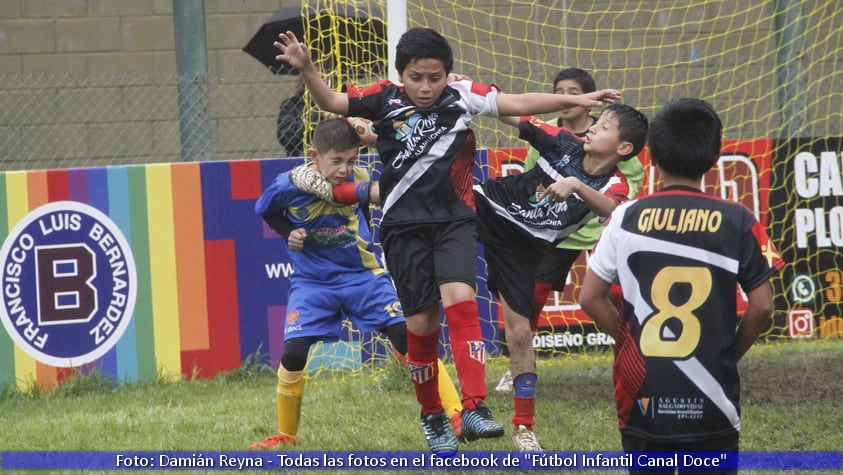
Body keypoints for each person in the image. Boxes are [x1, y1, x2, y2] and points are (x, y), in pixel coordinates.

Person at [272, 26, 622, 453]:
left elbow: (518, 103)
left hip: (455, 219)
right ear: (402, 75)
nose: (425, 87)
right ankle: (432, 414)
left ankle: (475, 406)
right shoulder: (383, 98)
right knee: (422, 325)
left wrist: (576, 101)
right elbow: (331, 102)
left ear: (447, 75)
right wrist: (307, 67)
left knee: (460, 297)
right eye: (416, 77)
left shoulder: (462, 96)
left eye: (435, 77)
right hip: (403, 227)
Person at [579, 98, 784, 474]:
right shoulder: (738, 218)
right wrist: (728, 356)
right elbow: (763, 307)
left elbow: (589, 297)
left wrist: (629, 342)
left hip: (642, 393)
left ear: (651, 155)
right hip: (712, 395)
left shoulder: (625, 216)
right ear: (715, 157)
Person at [251, 118, 462, 449]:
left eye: (351, 160)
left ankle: (455, 414)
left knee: (409, 337)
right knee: (294, 352)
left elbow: (367, 208)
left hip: (364, 276)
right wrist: (287, 231)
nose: (344, 169)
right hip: (312, 282)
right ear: (314, 155)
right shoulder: (286, 185)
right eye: (336, 161)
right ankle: (286, 434)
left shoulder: (362, 180)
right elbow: (266, 210)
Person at [473, 103, 648, 451]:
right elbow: (512, 115)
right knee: (438, 210)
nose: (593, 128)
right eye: (595, 122)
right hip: (488, 208)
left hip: (522, 251)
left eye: (604, 126)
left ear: (623, 148)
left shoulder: (616, 184)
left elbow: (612, 210)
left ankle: (524, 429)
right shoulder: (563, 141)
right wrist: (475, 99)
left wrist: (577, 186)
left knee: (521, 334)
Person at [496, 68, 645, 393]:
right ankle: (519, 363)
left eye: (574, 91)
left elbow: (618, 205)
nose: (567, 98)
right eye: (560, 90)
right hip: (546, 228)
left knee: (612, 294)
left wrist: (579, 188)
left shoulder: (618, 160)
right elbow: (529, 169)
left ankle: (640, 353)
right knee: (531, 294)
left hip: (591, 234)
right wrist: (479, 94)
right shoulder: (554, 136)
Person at [276, 77, 307, 157]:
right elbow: (286, 138)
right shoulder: (291, 105)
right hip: (301, 157)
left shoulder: (337, 105)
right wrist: (315, 113)